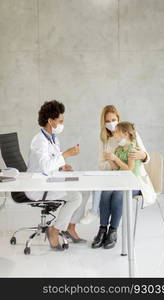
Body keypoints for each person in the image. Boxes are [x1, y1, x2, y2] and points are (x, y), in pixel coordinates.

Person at [25, 100, 89, 251]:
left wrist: (62, 168)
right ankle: (55, 231)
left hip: (49, 181)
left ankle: (67, 227)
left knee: (84, 191)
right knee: (76, 197)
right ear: (50, 121)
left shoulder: (53, 138)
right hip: (38, 187)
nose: (62, 124)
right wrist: (66, 154)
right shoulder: (39, 141)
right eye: (60, 121)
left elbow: (52, 163)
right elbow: (45, 166)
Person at [91, 105, 151, 249]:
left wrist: (143, 155)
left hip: (133, 181)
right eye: (107, 121)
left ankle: (113, 231)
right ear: (103, 123)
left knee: (119, 195)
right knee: (105, 194)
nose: (111, 123)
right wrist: (111, 162)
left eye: (114, 119)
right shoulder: (106, 140)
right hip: (114, 178)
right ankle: (102, 229)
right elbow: (102, 164)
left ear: (118, 119)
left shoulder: (130, 134)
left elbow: (144, 160)